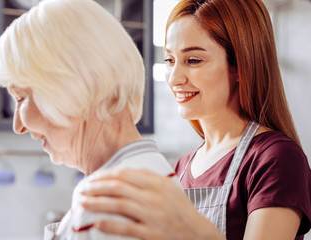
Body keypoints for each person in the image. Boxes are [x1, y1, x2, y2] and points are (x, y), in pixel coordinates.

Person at [80, 0, 311, 239]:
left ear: (241, 65)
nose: (175, 78)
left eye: (193, 60)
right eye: (169, 60)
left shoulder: (275, 159)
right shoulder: (181, 168)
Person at [0, 0, 180, 239]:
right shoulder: (148, 176)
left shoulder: (108, 204)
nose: (18, 125)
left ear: (71, 86)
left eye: (20, 98)